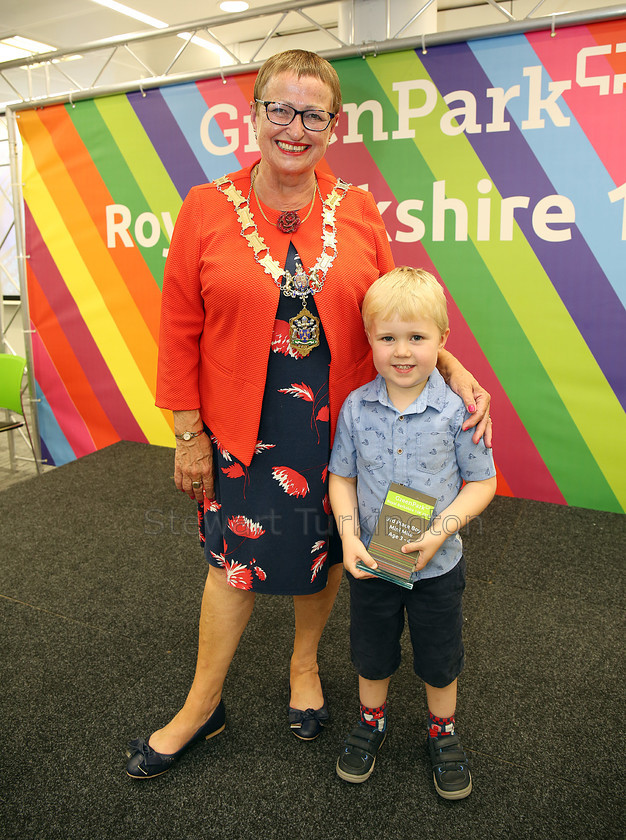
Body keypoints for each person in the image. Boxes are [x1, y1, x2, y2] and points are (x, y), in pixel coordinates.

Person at [125, 51, 491, 779]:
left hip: (347, 428)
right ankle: (203, 705)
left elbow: (393, 304)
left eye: (313, 114)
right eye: (280, 110)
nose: (295, 127)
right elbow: (178, 329)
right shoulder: (206, 206)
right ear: (254, 115)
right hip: (243, 431)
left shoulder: (356, 207)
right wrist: (188, 434)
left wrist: (451, 364)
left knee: (326, 552)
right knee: (234, 567)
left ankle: (303, 669)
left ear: (334, 125)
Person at [328, 266, 497, 799]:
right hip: (375, 564)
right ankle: (371, 720)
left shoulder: (459, 412)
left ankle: (442, 732)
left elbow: (481, 483)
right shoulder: (356, 408)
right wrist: (350, 538)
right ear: (370, 341)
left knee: (438, 657)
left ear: (443, 341)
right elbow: (342, 477)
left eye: (418, 338)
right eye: (388, 338)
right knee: (371, 651)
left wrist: (441, 531)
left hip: (437, 568)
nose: (403, 352)